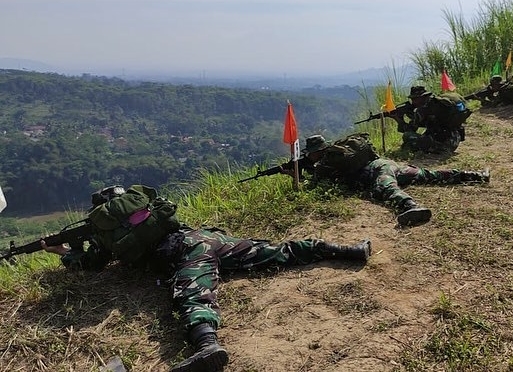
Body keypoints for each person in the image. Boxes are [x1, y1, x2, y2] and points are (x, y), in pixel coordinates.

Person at [40, 188, 371, 372]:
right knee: (274, 253)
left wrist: (62, 252)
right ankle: (344, 249)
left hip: (184, 253)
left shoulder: (106, 232)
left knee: (193, 294)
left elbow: (91, 265)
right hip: (203, 238)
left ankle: (207, 345)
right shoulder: (144, 204)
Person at [285, 133, 489, 226]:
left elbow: (313, 186)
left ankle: (410, 206)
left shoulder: (326, 163)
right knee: (428, 175)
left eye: (310, 154)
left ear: (317, 152)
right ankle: (475, 175)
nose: (308, 157)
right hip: (388, 164)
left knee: (386, 189)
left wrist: (297, 177)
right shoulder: (339, 152)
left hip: (377, 171)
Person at [389, 86, 471, 154]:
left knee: (407, 136)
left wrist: (398, 119)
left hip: (444, 146)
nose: (413, 102)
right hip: (455, 139)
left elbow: (410, 129)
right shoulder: (437, 102)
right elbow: (426, 122)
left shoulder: (423, 110)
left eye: (415, 99)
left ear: (421, 97)